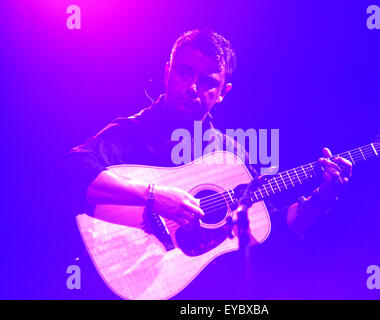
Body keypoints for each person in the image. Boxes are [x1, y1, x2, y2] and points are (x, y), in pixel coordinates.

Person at [54, 29, 352, 299]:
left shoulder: (230, 155)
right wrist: (154, 197)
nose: (193, 87)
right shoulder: (132, 131)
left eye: (208, 81)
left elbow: (272, 229)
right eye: (184, 73)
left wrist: (321, 198)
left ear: (224, 92)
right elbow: (68, 172)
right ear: (168, 73)